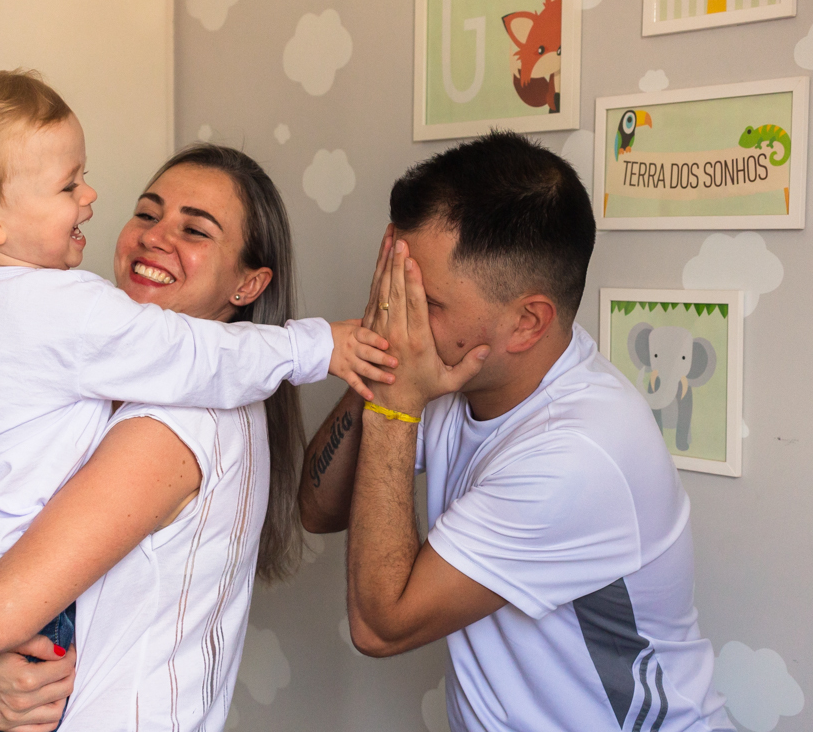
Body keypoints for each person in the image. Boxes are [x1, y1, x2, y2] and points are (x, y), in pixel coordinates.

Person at [0, 143, 362, 729]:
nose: (157, 237)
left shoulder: (176, 422)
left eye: (196, 231)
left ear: (247, 285)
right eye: (147, 213)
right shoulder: (91, 373)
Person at [299, 132, 734, 731]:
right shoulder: (458, 375)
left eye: (421, 301)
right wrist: (378, 350)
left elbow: (380, 626)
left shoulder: (576, 454)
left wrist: (396, 405)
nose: (401, 318)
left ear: (528, 323)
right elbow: (319, 507)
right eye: (392, 291)